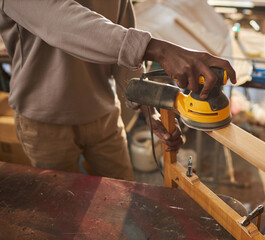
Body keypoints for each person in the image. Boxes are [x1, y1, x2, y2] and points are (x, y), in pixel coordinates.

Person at [0, 0, 236, 180]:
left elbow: (124, 61)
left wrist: (147, 108)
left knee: (121, 197)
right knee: (64, 211)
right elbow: (60, 22)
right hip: (43, 121)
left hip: (103, 114)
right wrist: (160, 50)